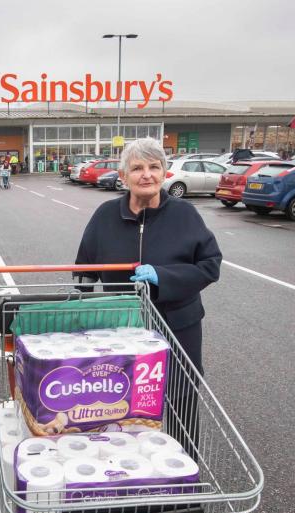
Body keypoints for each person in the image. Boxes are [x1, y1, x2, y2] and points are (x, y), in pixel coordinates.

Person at [73, 137, 221, 446]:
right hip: (122, 327)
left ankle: (184, 479)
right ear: (124, 177)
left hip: (178, 326)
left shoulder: (185, 215)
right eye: (137, 168)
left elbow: (210, 265)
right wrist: (81, 302)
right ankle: (128, 473)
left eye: (154, 167)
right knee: (122, 404)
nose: (147, 175)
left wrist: (163, 276)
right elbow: (85, 266)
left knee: (180, 403)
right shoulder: (105, 216)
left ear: (165, 173)